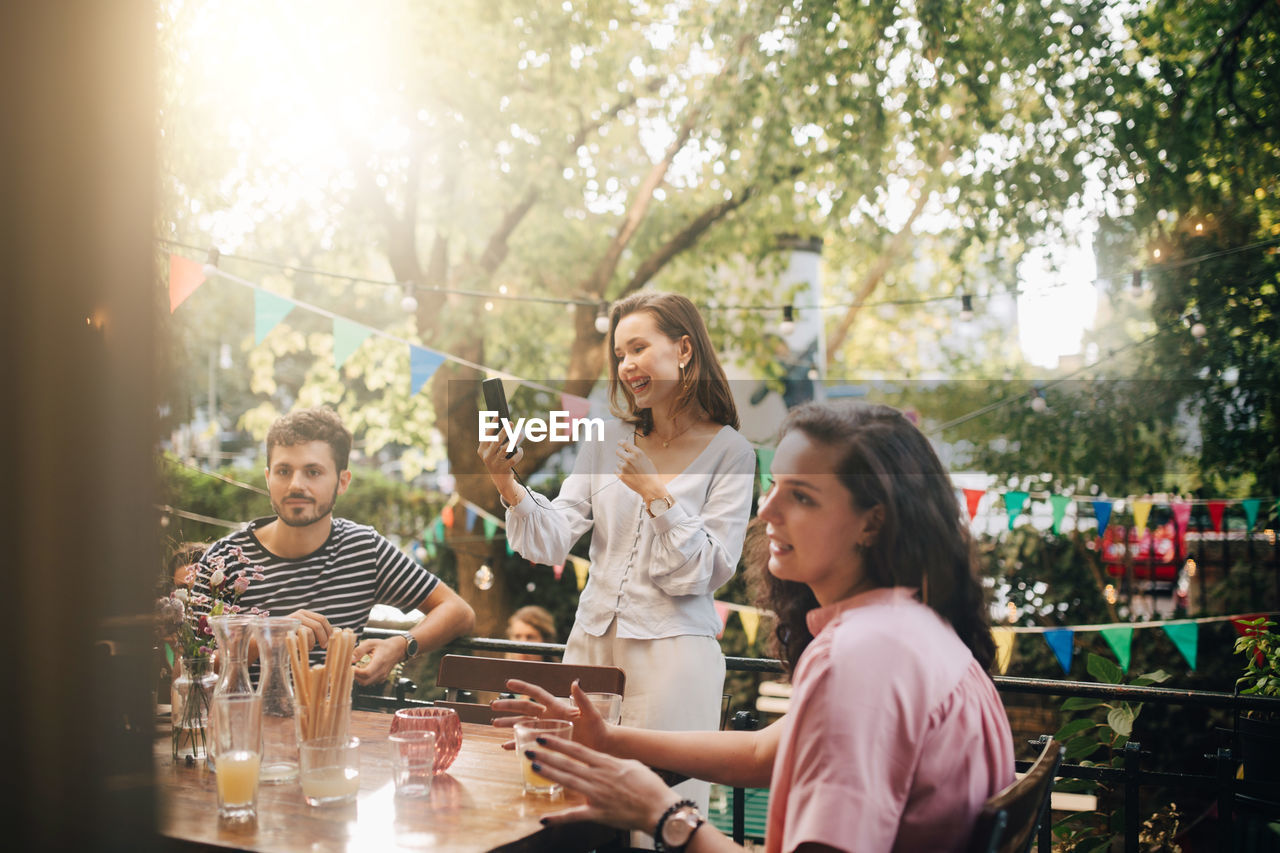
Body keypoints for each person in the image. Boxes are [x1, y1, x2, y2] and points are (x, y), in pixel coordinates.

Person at [498, 402, 1015, 853]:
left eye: (803, 496)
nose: (766, 510)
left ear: (872, 522)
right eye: (773, 487)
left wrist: (664, 814)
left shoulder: (862, 660)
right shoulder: (910, 627)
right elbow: (764, 750)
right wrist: (610, 737)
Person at [478, 291, 756, 824]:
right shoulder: (604, 440)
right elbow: (552, 539)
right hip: (588, 653)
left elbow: (707, 572)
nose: (626, 365)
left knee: (657, 818)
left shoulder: (732, 453)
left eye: (638, 348)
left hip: (672, 660)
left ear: (683, 349)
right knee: (569, 803)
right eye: (619, 354)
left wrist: (657, 495)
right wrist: (506, 483)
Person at [192, 407, 475, 687]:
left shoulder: (364, 548)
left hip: (333, 729)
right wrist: (271, 637)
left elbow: (459, 612)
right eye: (283, 471)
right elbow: (193, 665)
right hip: (244, 727)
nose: (295, 485)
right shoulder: (223, 561)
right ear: (268, 478)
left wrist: (401, 646)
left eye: (313, 472)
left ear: (342, 482)